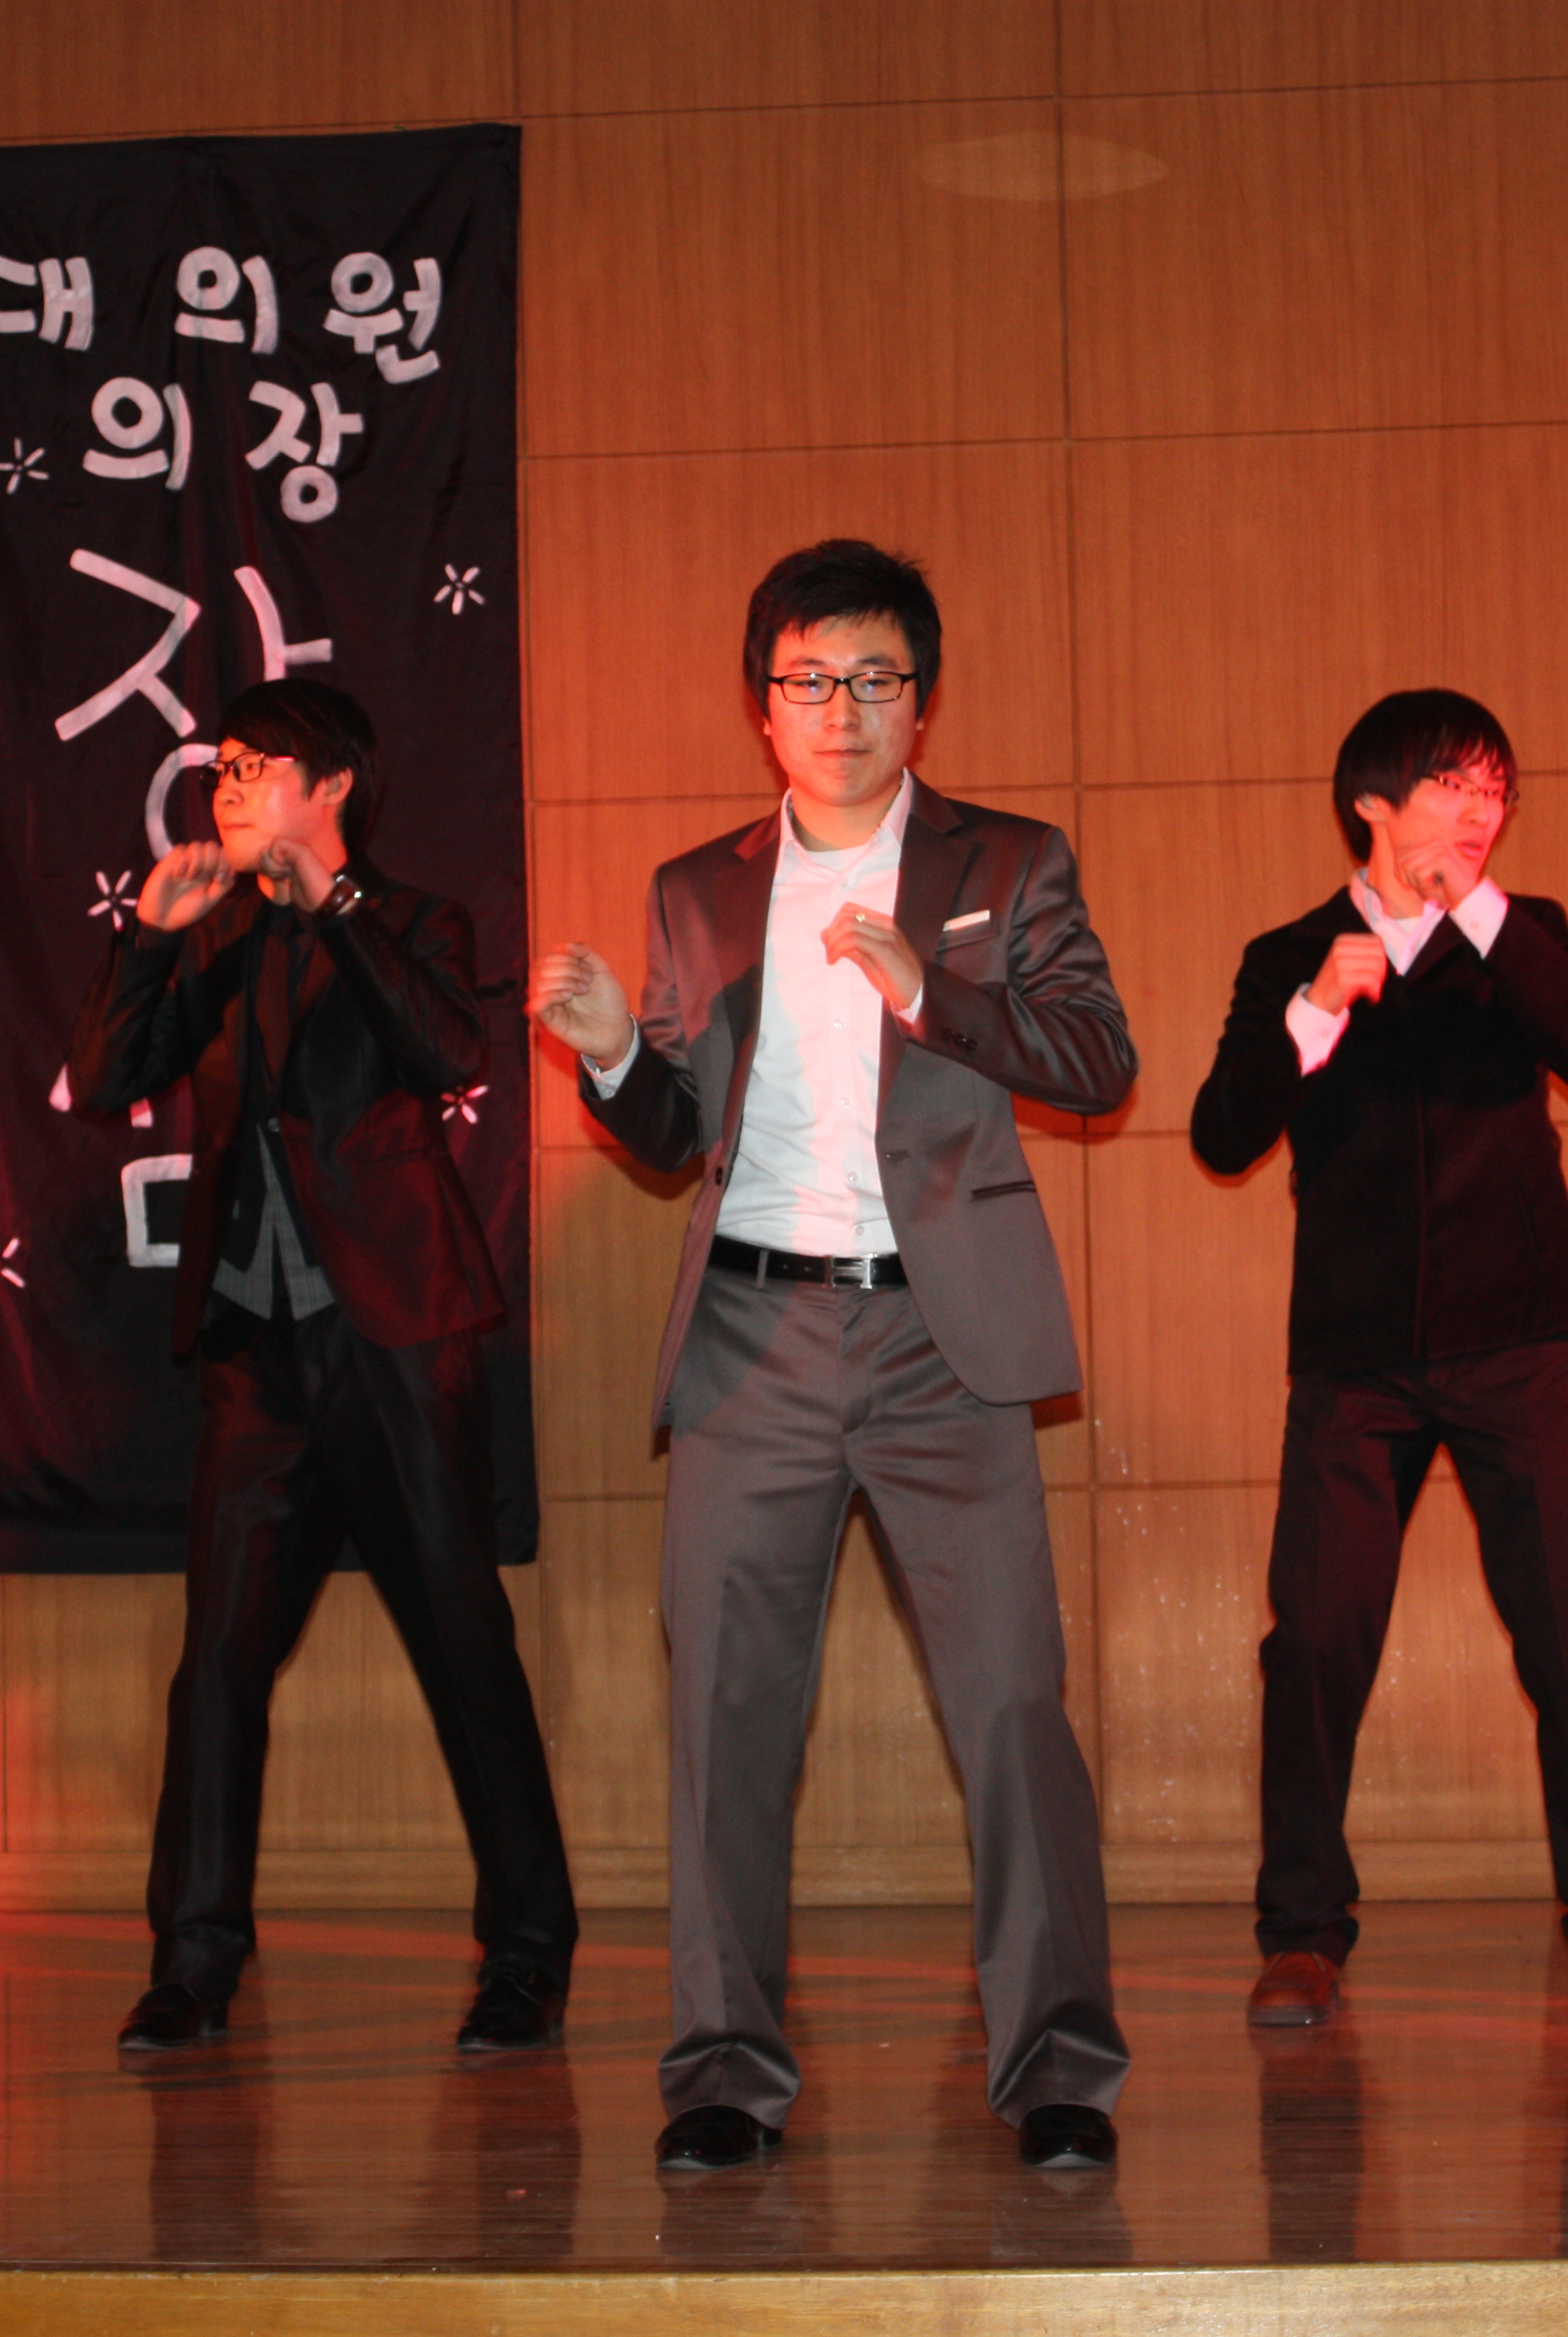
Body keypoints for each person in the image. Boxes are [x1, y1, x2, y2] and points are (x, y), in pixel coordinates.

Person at [528, 540, 1135, 2173]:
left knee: (1011, 1708)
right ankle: (723, 2071)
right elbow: (675, 1130)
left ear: (921, 702)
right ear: (765, 703)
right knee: (724, 1717)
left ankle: (1058, 2065)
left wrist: (932, 989)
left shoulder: (1009, 859)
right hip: (753, 1339)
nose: (843, 707)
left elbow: (1099, 1059)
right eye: (810, 678)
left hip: (945, 1343)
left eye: (876, 678)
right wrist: (611, 1058)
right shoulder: (697, 888)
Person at [68, 676, 575, 2059]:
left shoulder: (413, 918)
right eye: (219, 768)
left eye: (255, 767)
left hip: (399, 1335)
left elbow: (450, 1048)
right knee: (218, 1663)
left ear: (333, 783)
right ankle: (193, 1960)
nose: (226, 787)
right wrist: (147, 938)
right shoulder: (214, 931)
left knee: (462, 1636)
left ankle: (526, 1953)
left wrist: (334, 905)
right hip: (256, 1353)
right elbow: (104, 1076)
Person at [1187, 688, 1568, 2034]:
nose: (1479, 811)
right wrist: (1313, 1012)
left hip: (1515, 1337)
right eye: (1452, 785)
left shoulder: (1524, 934)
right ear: (1373, 799)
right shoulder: (1290, 954)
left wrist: (1481, 917)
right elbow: (1222, 1133)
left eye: (1493, 790)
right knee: (1316, 1642)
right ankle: (1302, 1933)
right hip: (1355, 1357)